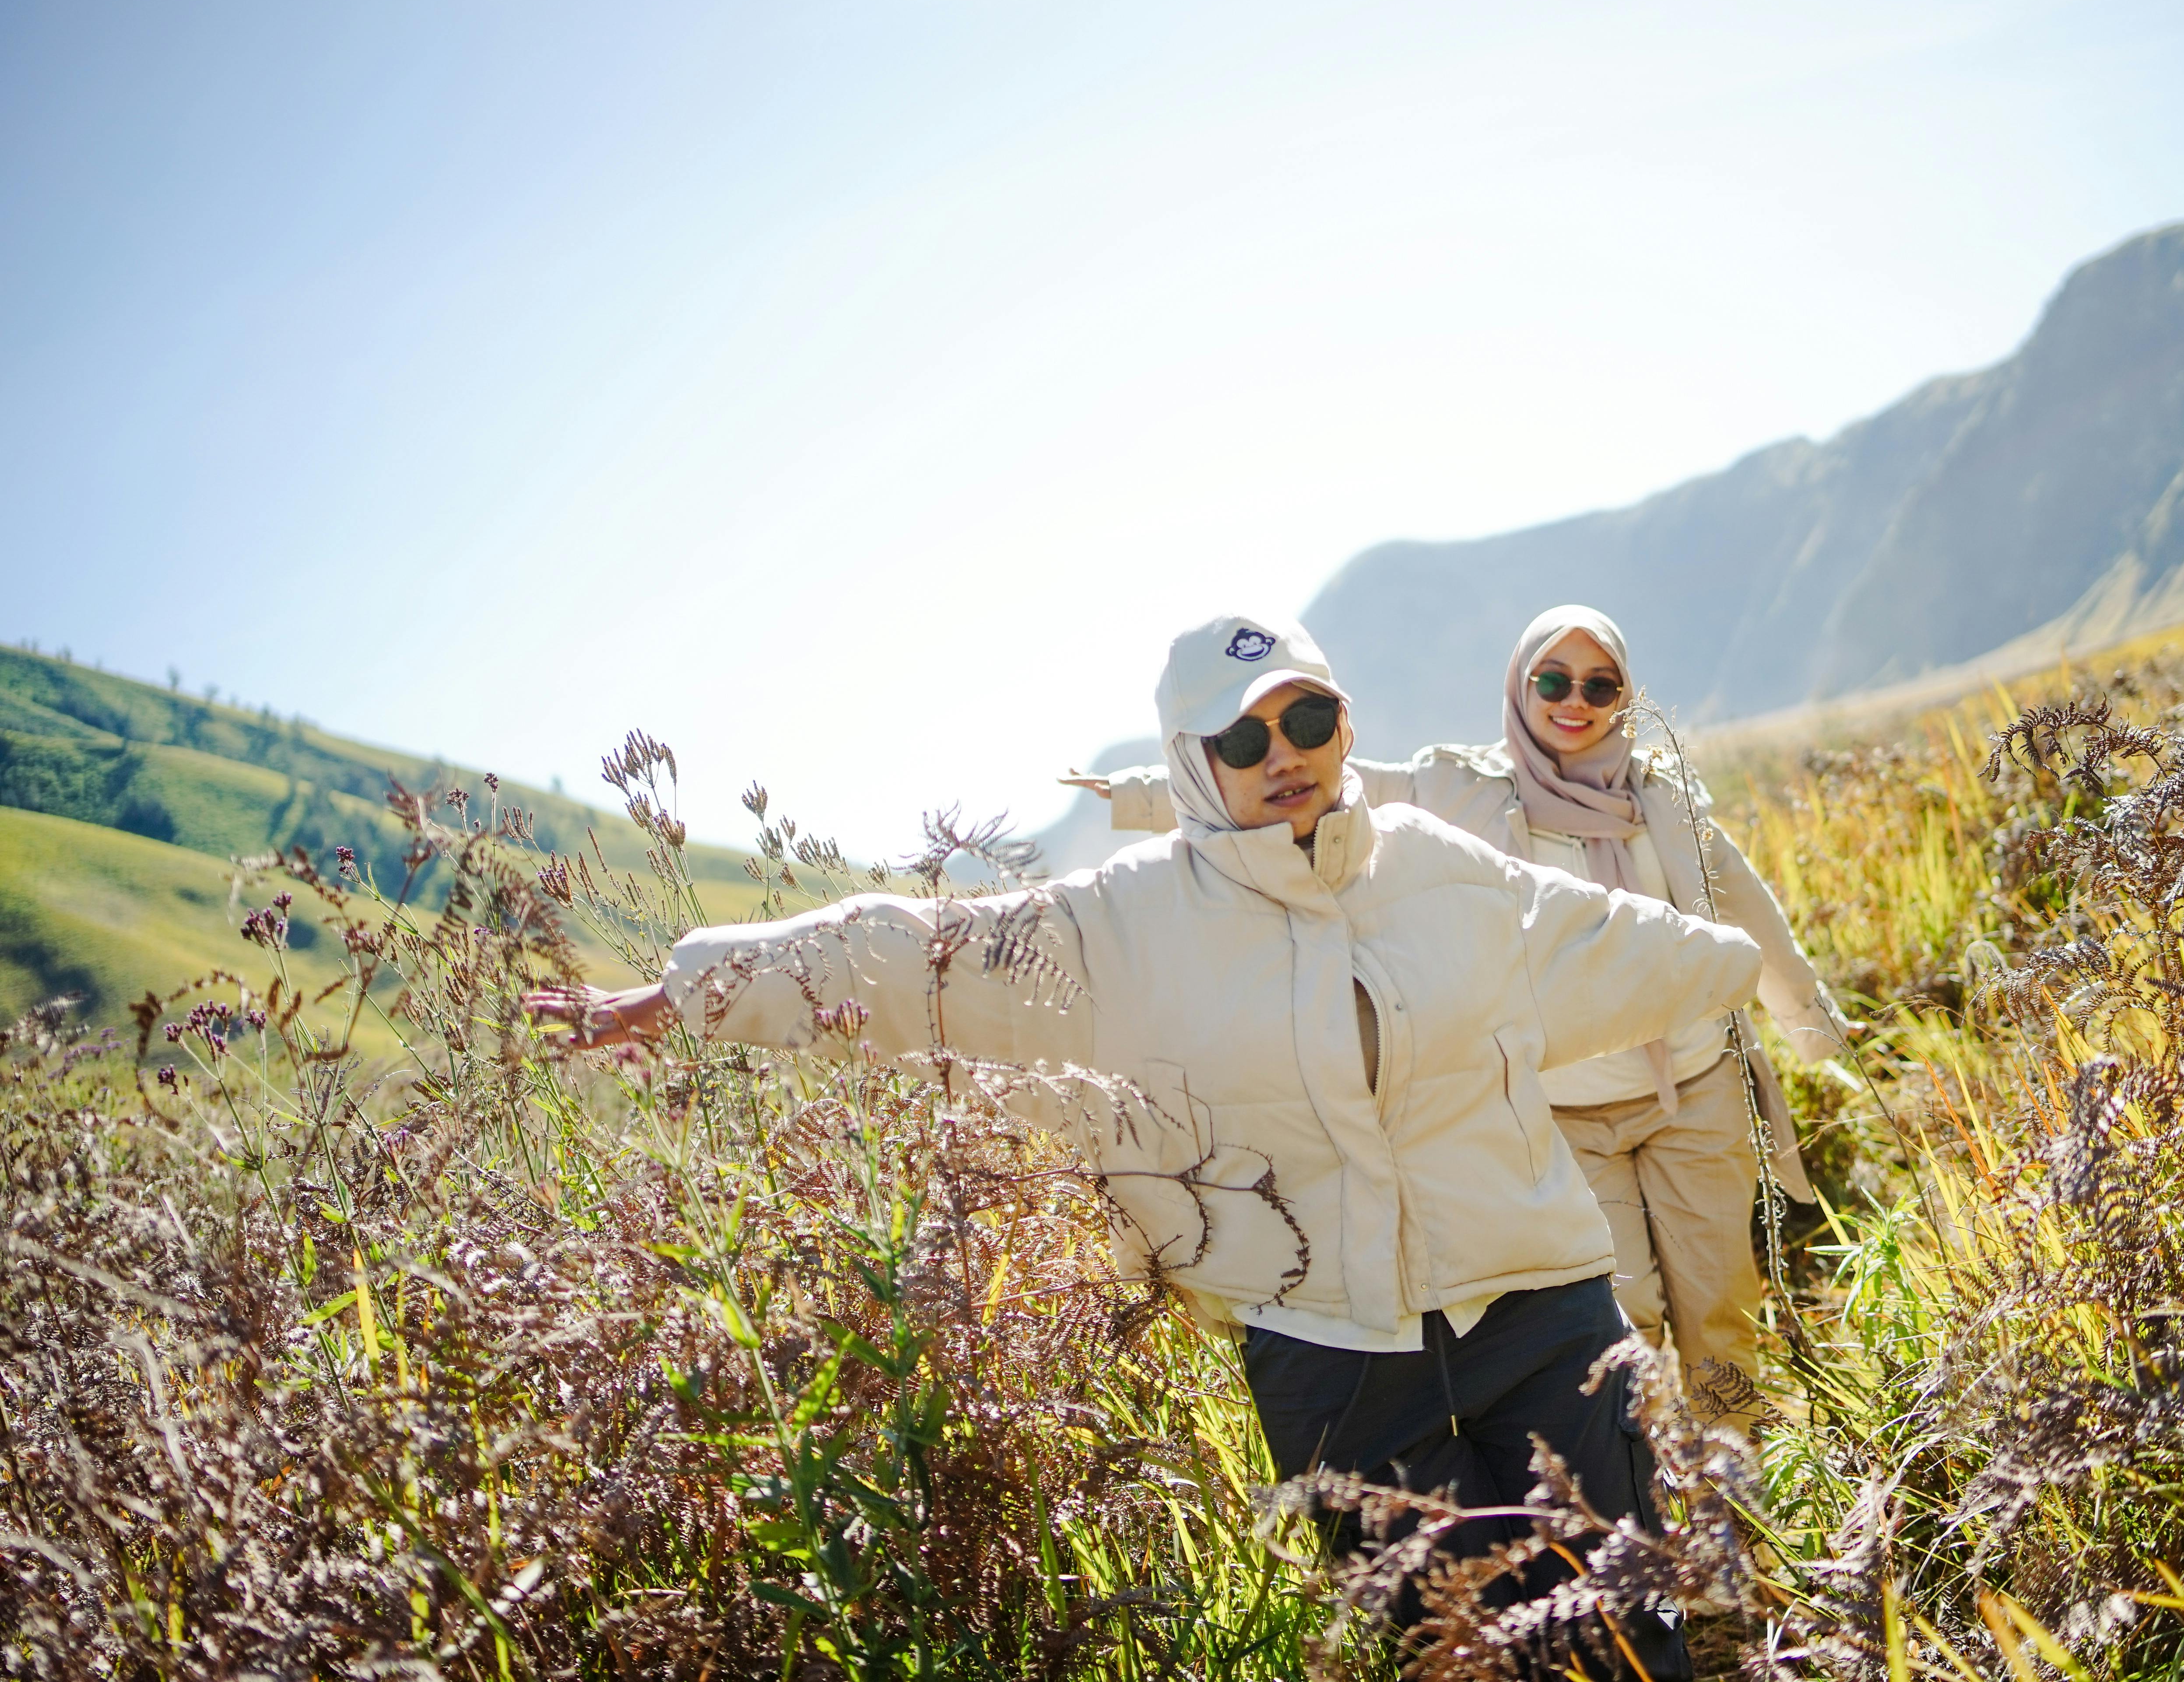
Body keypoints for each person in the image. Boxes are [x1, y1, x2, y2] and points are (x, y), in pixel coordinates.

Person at [528, 613, 1762, 1679]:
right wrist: (703, 986)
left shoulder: (1443, 869)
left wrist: (1737, 969)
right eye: (1242, 739)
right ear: (1191, 762)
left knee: (1624, 1635)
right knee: (1454, 1654)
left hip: (1547, 1320)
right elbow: (918, 954)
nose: (1284, 757)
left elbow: (1611, 943)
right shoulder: (1120, 928)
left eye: (1309, 719)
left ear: (1346, 724)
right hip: (1334, 1361)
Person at [1070, 605, 1852, 1430]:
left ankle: (1740, 1503)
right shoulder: (1468, 788)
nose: (1574, 701)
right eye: (1552, 681)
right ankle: (1659, 1512)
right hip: (1565, 1115)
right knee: (1629, 1322)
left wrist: (1814, 1027)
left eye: (1600, 684)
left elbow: (1750, 917)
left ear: (1625, 695)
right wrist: (1137, 795)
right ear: (1520, 688)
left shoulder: (1665, 801)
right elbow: (1309, 774)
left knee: (1722, 1307)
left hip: (1695, 1092)